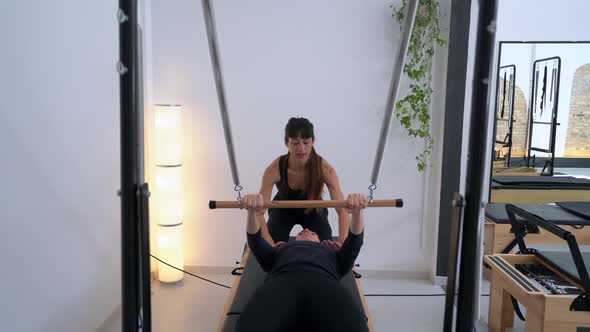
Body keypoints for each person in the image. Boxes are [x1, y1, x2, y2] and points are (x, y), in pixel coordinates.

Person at [235, 193, 370, 332]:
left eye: (312, 233)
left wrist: (357, 212)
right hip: (283, 283)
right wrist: (252, 213)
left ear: (321, 241)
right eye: (300, 233)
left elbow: (354, 241)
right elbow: (255, 241)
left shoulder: (333, 252)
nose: (306, 230)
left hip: (324, 284)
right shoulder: (280, 250)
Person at [257, 117, 350, 246]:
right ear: (286, 143)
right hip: (283, 209)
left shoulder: (325, 169)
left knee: (325, 247)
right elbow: (258, 212)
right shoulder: (274, 169)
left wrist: (342, 245)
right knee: (269, 245)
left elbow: (342, 210)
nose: (301, 149)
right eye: (295, 143)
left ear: (313, 141)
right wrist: (271, 247)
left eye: (306, 142)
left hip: (313, 209)